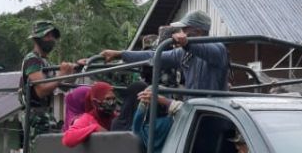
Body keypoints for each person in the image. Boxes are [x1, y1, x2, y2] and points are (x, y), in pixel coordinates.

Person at [95, 11, 228, 93]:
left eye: (184, 29)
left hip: (214, 109)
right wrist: (120, 54)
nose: (181, 32)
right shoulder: (183, 53)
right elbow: (153, 55)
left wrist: (187, 43)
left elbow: (208, 50)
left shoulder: (217, 48)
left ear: (198, 31)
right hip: (195, 107)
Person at [20, 21, 75, 144]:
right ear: (37, 38)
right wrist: (61, 75)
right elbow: (41, 91)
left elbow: (63, 88)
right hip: (34, 115)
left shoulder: (45, 62)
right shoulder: (32, 59)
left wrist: (74, 71)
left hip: (46, 114)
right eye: (47, 35)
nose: (51, 39)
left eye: (53, 36)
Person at [132, 87, 183, 153]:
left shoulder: (143, 128)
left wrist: (143, 104)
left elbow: (136, 122)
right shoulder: (171, 122)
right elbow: (185, 110)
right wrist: (166, 101)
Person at [62, 82, 117, 147]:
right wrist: (95, 127)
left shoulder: (116, 117)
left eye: (114, 99)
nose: (112, 103)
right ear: (95, 102)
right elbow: (68, 139)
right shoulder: (88, 118)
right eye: (107, 99)